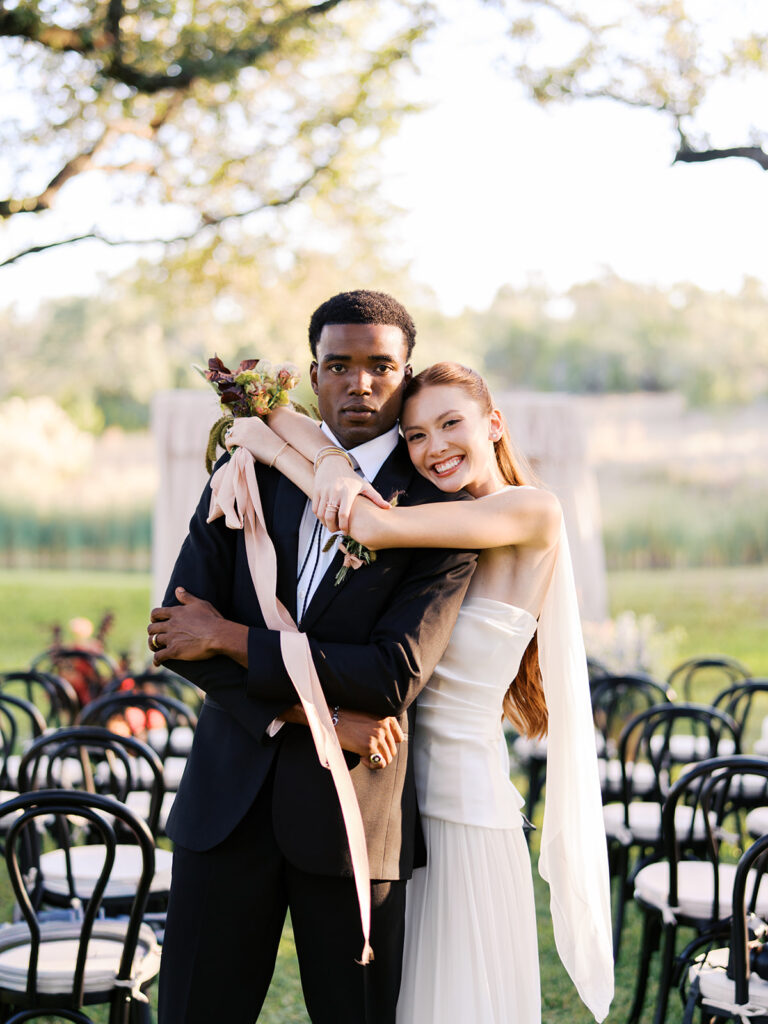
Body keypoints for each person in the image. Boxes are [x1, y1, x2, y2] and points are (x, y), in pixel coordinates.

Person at [226, 361, 614, 1023]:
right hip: (395, 809)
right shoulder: (440, 523)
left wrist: (275, 445)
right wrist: (278, 422)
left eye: (450, 424)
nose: (433, 448)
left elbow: (366, 526)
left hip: (464, 812)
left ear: (494, 424)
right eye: (414, 436)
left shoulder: (531, 509)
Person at [147, 291, 478, 1024]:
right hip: (223, 812)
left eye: (379, 366)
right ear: (312, 373)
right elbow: (179, 635)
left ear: (406, 373)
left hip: (351, 816)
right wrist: (317, 713)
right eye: (339, 365)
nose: (358, 383)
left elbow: (391, 674)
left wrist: (234, 639)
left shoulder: (435, 509)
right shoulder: (246, 470)